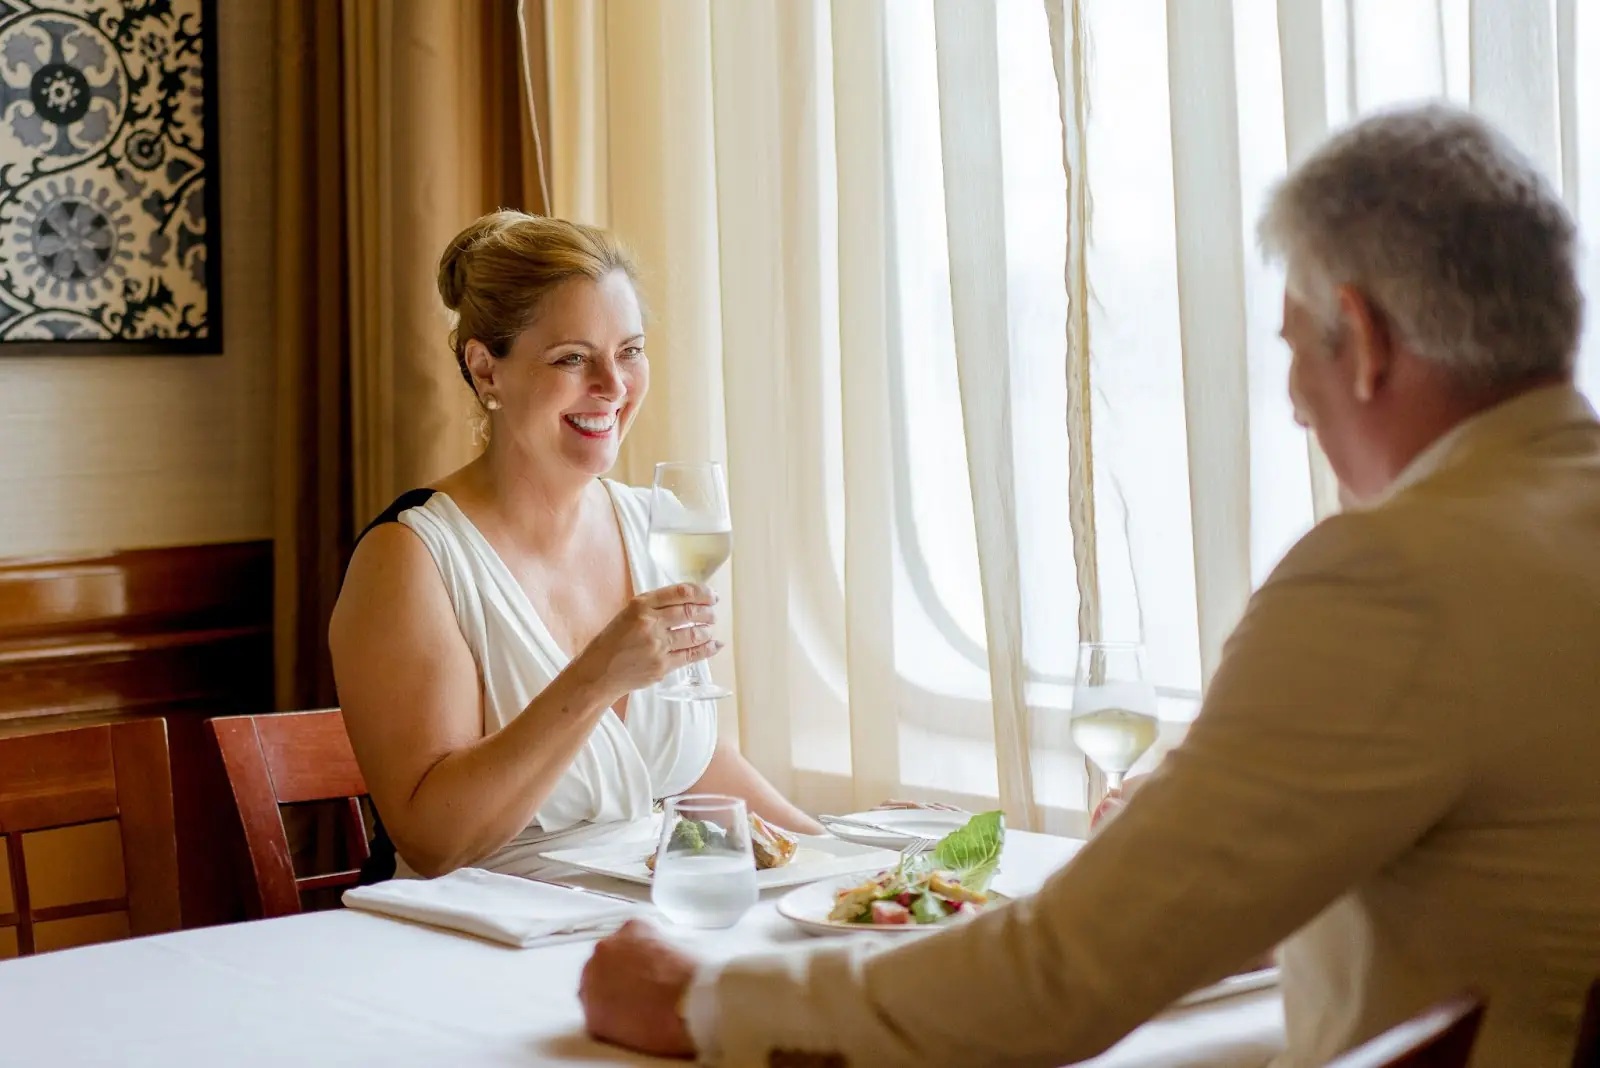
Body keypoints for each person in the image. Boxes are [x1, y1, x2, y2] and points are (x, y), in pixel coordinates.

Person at [579, 104, 1600, 1066]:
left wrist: (703, 1001)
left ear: (1362, 338)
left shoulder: (1395, 577)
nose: (1296, 407)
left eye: (1293, 351)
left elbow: (1058, 978)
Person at [330, 211, 822, 882]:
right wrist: (595, 678)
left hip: (634, 925)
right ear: (486, 370)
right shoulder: (411, 559)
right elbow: (434, 842)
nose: (614, 387)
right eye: (572, 358)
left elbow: (690, 760)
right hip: (469, 941)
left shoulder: (661, 528)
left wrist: (848, 861)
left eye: (630, 351)